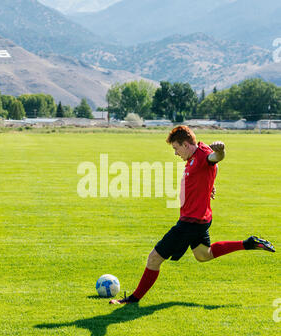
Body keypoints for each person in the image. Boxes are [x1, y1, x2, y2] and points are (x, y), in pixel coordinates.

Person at [110, 125, 275, 305]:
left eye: (176, 148)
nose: (175, 153)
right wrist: (209, 185)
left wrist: (222, 150)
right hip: (201, 219)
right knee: (204, 255)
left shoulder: (204, 155)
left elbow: (216, 158)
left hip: (190, 222)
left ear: (186, 144)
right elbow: (213, 169)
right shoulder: (196, 155)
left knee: (154, 258)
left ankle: (132, 300)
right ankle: (249, 243)